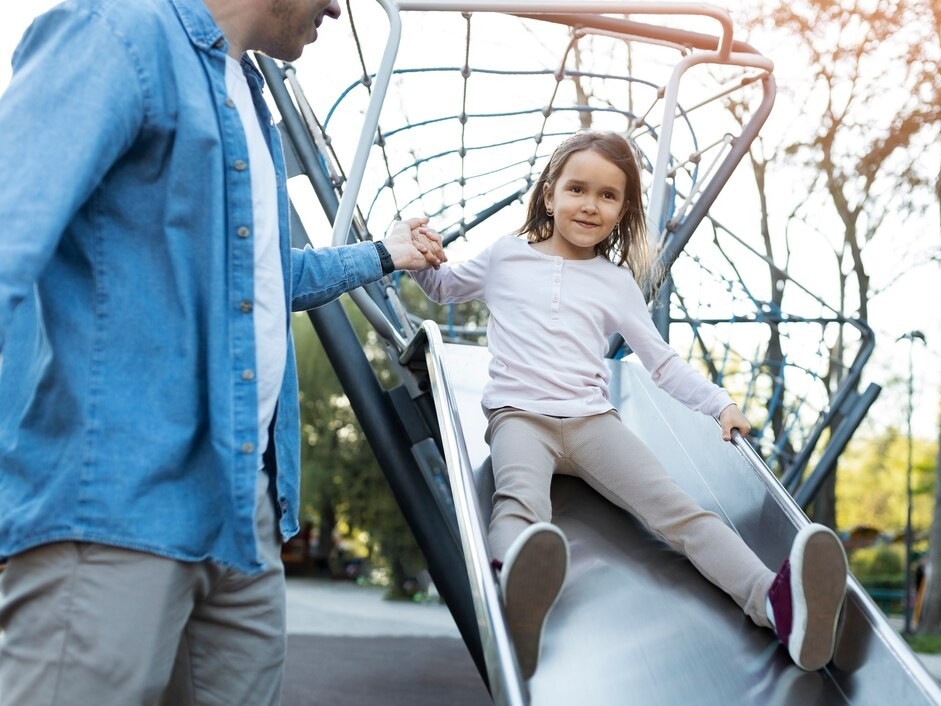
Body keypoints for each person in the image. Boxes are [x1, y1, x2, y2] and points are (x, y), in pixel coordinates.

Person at [0, 1, 445, 704]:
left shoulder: (251, 93)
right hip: (116, 498)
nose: (336, 6)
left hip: (244, 506)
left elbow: (264, 278)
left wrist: (385, 253)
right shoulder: (119, 33)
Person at [411, 130, 848, 680]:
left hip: (593, 423)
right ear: (549, 195)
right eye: (577, 189)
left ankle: (778, 606)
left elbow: (660, 362)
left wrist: (720, 404)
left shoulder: (616, 283)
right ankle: (514, 597)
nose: (590, 205)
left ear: (623, 210)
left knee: (680, 509)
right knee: (518, 504)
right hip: (519, 417)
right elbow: (443, 287)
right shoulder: (506, 255)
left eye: (608, 196)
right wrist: (414, 254)